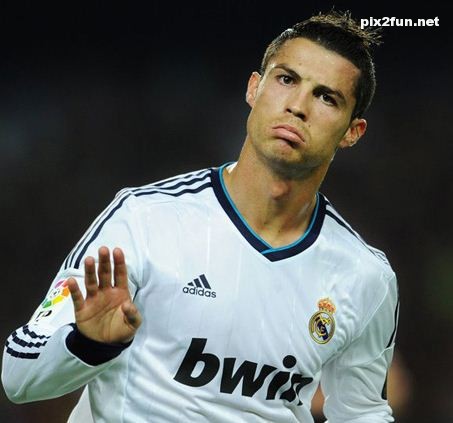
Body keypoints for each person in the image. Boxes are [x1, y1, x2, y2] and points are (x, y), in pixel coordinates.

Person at [2, 10, 399, 423]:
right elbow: (17, 377)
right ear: (254, 88)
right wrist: (88, 344)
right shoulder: (144, 219)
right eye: (286, 80)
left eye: (326, 97)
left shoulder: (365, 276)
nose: (298, 106)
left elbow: (362, 412)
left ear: (353, 131)